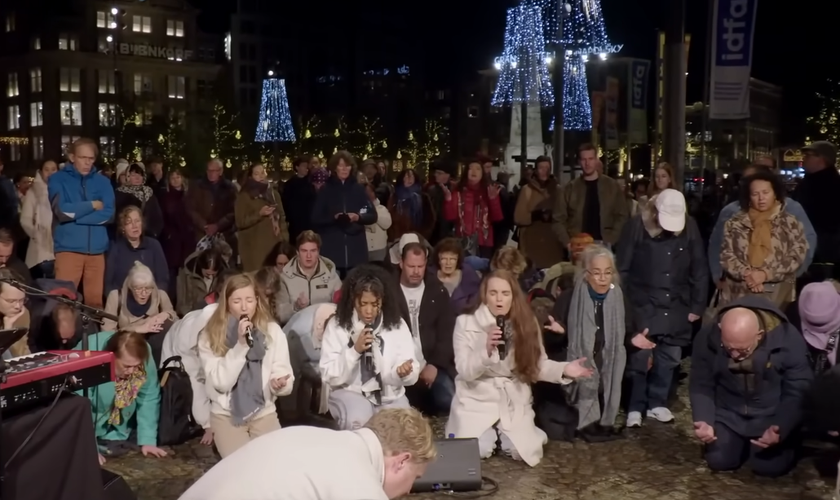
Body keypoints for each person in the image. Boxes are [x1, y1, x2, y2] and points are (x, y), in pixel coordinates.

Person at [446, 270, 593, 466]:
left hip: (511, 398)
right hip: (476, 398)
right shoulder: (465, 323)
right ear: (485, 295)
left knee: (521, 451)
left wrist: (564, 370)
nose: (499, 299)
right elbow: (464, 370)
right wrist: (485, 351)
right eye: (493, 293)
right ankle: (487, 432)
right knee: (476, 451)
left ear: (513, 296)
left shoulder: (527, 323)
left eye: (505, 294)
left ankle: (506, 432)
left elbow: (537, 366)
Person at [177, 408, 436, 500]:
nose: (410, 490)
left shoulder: (308, 435)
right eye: (417, 476)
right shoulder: (358, 479)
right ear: (402, 461)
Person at [690, 297, 812, 477]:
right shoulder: (707, 336)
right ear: (720, 330)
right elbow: (701, 382)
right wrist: (704, 420)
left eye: (742, 350)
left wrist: (783, 426)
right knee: (719, 461)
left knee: (769, 467)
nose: (735, 355)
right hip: (729, 412)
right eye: (728, 348)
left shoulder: (787, 338)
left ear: (760, 334)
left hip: (769, 414)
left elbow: (799, 388)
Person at [616, 189, 708, 427]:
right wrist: (625, 305)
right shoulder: (636, 227)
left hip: (676, 303)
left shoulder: (690, 227)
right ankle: (635, 405)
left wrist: (698, 304)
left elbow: (698, 267)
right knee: (639, 357)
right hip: (643, 302)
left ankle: (658, 402)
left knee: (669, 357)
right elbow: (622, 269)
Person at [543, 244, 634, 442]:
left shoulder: (618, 297)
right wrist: (560, 332)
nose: (603, 278)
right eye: (597, 273)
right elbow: (550, 340)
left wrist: (635, 338)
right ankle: (586, 424)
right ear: (586, 274)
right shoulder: (570, 297)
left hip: (606, 359)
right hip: (578, 360)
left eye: (608, 273)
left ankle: (603, 423)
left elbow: (627, 330)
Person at [197, 273, 294, 458]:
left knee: (276, 463)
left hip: (263, 412)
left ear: (257, 300)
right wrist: (241, 346)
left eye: (249, 300)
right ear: (226, 303)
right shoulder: (210, 335)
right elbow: (221, 382)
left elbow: (283, 372)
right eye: (237, 301)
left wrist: (279, 384)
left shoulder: (272, 331)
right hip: (226, 416)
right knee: (242, 468)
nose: (244, 307)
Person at [319, 265, 419, 430]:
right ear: (353, 300)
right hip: (351, 392)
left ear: (382, 300)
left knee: (405, 430)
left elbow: (412, 369)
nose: (369, 310)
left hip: (390, 396)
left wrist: (402, 373)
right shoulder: (337, 326)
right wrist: (354, 351)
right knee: (358, 421)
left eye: (374, 304)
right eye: (363, 303)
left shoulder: (397, 325)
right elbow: (329, 375)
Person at [708, 164, 815, 284]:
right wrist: (743, 275)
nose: (761, 197)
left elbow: (802, 248)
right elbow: (720, 247)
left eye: (765, 191)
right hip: (739, 287)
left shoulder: (791, 214)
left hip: (779, 287)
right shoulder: (732, 215)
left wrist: (768, 275)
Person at [75, 329, 166, 464]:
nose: (132, 371)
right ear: (111, 356)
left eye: (136, 366)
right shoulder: (88, 351)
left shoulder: (143, 353)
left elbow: (149, 396)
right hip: (89, 425)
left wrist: (148, 440)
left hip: (121, 427)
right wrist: (88, 447)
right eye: (127, 366)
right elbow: (80, 407)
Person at [720, 169, 808, 308]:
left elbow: (797, 255)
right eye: (755, 194)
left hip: (778, 294)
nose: (761, 198)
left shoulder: (790, 222)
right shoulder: (734, 223)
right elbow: (726, 255)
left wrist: (765, 274)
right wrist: (748, 274)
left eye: (766, 193)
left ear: (775, 194)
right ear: (749, 196)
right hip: (739, 293)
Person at [49, 138, 115, 308]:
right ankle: (63, 335)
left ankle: (95, 335)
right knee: (63, 304)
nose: (87, 162)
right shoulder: (57, 179)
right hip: (68, 250)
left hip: (97, 252)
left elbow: (109, 214)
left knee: (95, 305)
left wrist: (76, 216)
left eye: (91, 158)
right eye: (82, 158)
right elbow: (62, 211)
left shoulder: (103, 182)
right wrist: (92, 205)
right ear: (72, 157)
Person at [395, 242, 456, 415]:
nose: (416, 271)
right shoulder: (389, 293)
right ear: (401, 264)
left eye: (420, 266)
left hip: (433, 365)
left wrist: (434, 365)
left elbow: (447, 333)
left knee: (451, 400)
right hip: (399, 368)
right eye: (411, 266)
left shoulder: (438, 292)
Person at [311, 151, 377, 278]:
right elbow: (315, 218)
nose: (344, 169)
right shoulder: (326, 190)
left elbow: (372, 215)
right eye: (341, 166)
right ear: (335, 168)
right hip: (332, 251)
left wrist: (358, 217)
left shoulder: (359, 189)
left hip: (356, 251)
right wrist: (334, 218)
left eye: (347, 166)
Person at [552, 143, 628, 251]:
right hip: (578, 247)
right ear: (579, 161)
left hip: (605, 245)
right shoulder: (569, 189)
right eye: (584, 159)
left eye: (590, 159)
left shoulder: (611, 186)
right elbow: (558, 220)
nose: (587, 163)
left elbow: (622, 216)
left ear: (596, 160)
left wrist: (611, 240)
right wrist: (568, 243)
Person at [160, 304, 218, 446]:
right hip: (176, 347)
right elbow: (197, 384)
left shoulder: (225, 322)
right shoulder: (188, 340)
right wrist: (208, 425)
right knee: (179, 386)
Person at [102, 262, 178, 364]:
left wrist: (166, 314)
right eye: (138, 289)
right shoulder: (116, 297)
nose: (143, 294)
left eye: (148, 288)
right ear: (130, 286)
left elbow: (176, 321)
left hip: (155, 350)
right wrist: (137, 329)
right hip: (127, 350)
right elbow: (107, 336)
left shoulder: (160, 295)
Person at [442, 159, 504, 258]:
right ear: (466, 172)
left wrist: (493, 200)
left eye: (478, 169)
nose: (474, 171)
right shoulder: (458, 192)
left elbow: (497, 218)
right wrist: (448, 200)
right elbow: (450, 217)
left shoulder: (489, 191)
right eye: (470, 168)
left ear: (482, 174)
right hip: (462, 240)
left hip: (484, 242)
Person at [276, 231, 341, 324]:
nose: (309, 256)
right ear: (297, 252)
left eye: (313, 251)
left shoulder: (331, 275)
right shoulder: (285, 278)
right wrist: (296, 306)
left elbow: (342, 306)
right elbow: (279, 314)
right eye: (304, 251)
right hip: (295, 331)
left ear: (318, 252)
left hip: (325, 329)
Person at [104, 206, 169, 297]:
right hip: (123, 301)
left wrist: (153, 297)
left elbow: (163, 279)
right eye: (129, 222)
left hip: (151, 299)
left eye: (137, 221)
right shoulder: (116, 248)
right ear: (123, 228)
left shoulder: (154, 245)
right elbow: (108, 284)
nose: (135, 225)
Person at [235, 163, 289, 272]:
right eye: (257, 173)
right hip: (254, 249)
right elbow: (240, 222)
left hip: (274, 245)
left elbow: (282, 217)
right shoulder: (244, 196)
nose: (261, 176)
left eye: (263, 172)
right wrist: (259, 214)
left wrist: (284, 238)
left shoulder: (273, 194)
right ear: (250, 177)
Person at [514, 155, 563, 269]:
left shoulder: (558, 190)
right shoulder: (527, 190)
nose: (544, 171)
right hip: (531, 243)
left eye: (547, 167)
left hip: (552, 243)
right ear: (536, 170)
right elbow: (518, 217)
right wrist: (536, 215)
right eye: (541, 167)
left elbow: (563, 214)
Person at [20, 160, 58, 279]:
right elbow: (25, 218)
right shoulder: (34, 191)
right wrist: (36, 234)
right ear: (41, 172)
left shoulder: (64, 190)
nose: (50, 173)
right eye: (46, 169)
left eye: (53, 169)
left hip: (61, 244)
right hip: (41, 246)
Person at [427, 237, 481, 314]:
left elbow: (475, 302)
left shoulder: (468, 275)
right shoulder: (429, 276)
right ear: (438, 260)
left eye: (452, 259)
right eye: (444, 259)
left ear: (458, 260)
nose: (448, 263)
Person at [0, 268, 30, 358]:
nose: (17, 306)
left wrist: (11, 329)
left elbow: (22, 354)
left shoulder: (22, 313)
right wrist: (7, 333)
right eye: (11, 301)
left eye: (21, 300)